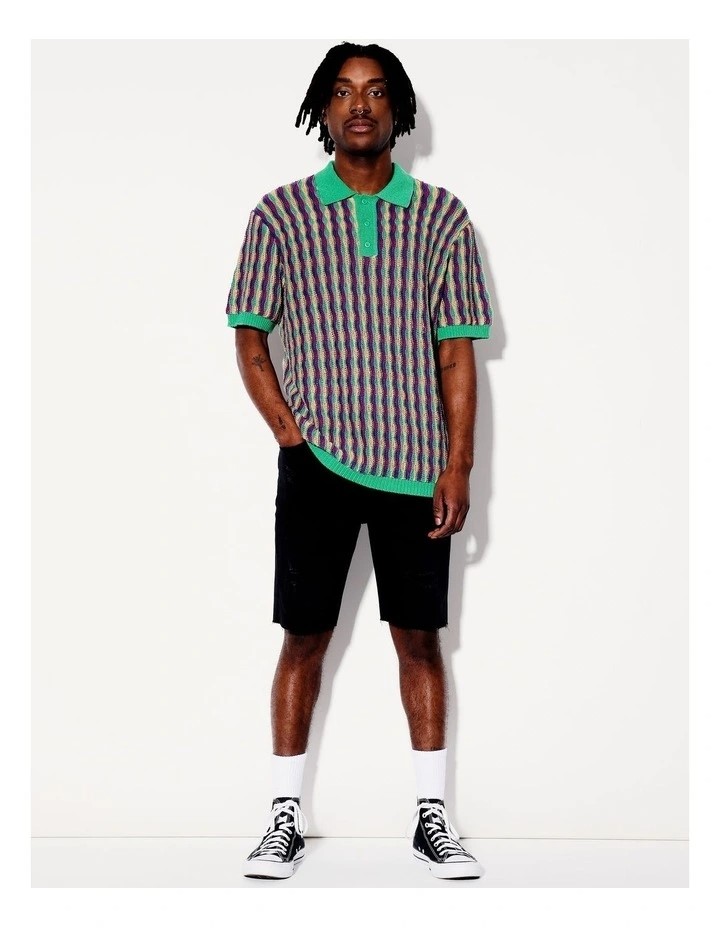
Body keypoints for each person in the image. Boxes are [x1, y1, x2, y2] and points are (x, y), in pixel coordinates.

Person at [225, 42, 492, 881]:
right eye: (342, 92)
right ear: (323, 110)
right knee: (304, 638)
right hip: (318, 465)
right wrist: (290, 435)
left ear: (398, 108)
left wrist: (459, 465)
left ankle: (432, 818)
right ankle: (283, 816)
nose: (360, 105)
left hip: (417, 468)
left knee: (420, 641)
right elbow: (249, 332)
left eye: (375, 92)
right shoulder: (280, 214)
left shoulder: (443, 218)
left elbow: (457, 352)